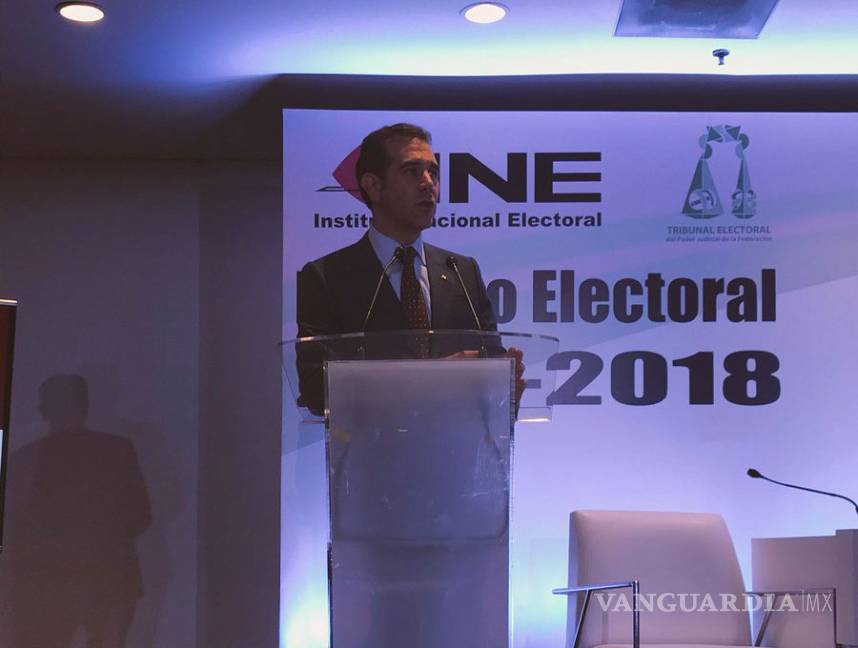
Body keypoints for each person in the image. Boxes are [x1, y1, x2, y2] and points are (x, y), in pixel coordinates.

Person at [296, 122, 523, 411]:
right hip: (373, 439)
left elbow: (490, 372)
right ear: (373, 186)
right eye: (411, 171)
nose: (428, 183)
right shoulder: (326, 277)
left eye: (433, 172)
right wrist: (429, 380)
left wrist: (505, 390)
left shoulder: (462, 272)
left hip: (456, 438)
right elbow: (316, 388)